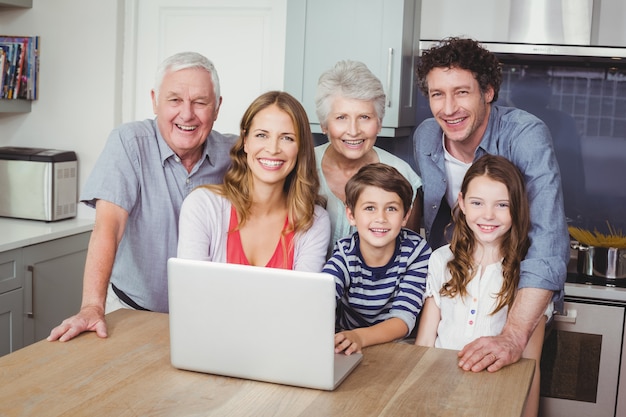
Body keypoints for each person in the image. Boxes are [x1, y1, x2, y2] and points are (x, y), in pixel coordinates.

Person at [48, 52, 237, 342]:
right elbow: (108, 228)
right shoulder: (130, 142)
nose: (187, 114)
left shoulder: (236, 154)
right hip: (129, 312)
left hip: (205, 321)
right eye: (174, 100)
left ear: (217, 107)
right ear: (154, 101)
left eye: (200, 102)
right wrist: (91, 306)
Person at [412, 37, 569, 373]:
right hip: (453, 288)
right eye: (437, 94)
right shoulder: (426, 137)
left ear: (488, 91)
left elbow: (548, 239)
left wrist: (512, 336)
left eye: (462, 92)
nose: (448, 108)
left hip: (512, 291)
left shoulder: (524, 135)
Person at [415, 154, 548, 417]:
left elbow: (531, 367)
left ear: (518, 207)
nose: (488, 215)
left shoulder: (531, 275)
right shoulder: (440, 260)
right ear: (462, 203)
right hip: (438, 396)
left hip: (497, 400)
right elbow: (424, 346)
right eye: (477, 202)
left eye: (502, 205)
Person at [177, 90, 330, 271]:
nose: (273, 149)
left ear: (301, 148)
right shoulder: (203, 206)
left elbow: (302, 298)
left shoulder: (314, 221)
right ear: (245, 142)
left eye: (287, 138)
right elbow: (192, 292)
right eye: (261, 135)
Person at [314, 60, 423, 255]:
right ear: (324, 125)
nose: (354, 131)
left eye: (365, 117)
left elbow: (408, 255)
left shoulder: (403, 174)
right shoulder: (303, 167)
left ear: (379, 123)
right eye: (341, 118)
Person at [323, 163, 431, 355]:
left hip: (398, 346)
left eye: (391, 209)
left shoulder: (416, 252)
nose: (380, 218)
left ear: (405, 216)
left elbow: (403, 320)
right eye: (370, 208)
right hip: (347, 344)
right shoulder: (345, 252)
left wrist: (360, 337)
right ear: (351, 215)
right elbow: (322, 297)